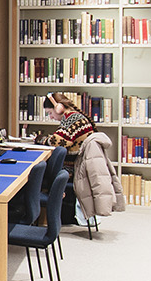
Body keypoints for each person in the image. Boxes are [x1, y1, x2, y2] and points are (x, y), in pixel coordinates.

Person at [36, 93, 97, 225]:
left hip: (74, 168)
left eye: (50, 113)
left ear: (59, 108)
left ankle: (41, 218)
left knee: (39, 174)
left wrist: (40, 139)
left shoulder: (72, 119)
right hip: (78, 164)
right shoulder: (73, 117)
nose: (51, 117)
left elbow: (57, 141)